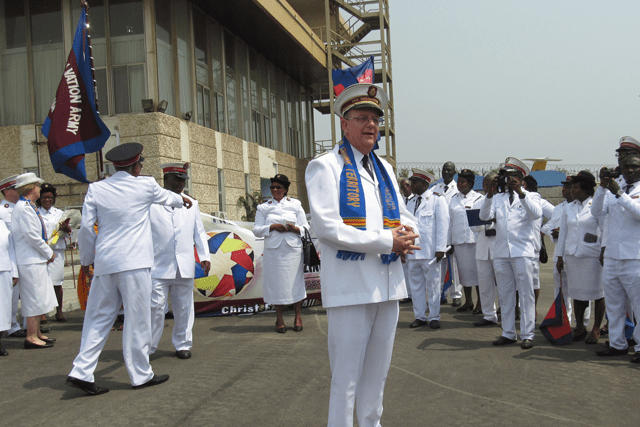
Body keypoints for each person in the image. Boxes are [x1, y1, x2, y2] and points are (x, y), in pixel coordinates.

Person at [305, 83, 418, 427]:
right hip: (351, 287)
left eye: (375, 119)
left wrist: (410, 234)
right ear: (344, 123)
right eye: (362, 118)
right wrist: (387, 241)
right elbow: (327, 228)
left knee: (377, 375)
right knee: (347, 379)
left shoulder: (383, 168)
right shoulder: (325, 166)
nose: (371, 124)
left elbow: (404, 215)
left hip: (387, 285)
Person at [67, 143, 193, 396]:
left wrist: (87, 260)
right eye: (140, 164)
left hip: (106, 263)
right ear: (136, 167)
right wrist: (183, 200)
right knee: (137, 320)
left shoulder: (97, 188)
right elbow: (169, 197)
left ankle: (81, 371)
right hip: (135, 264)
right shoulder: (145, 185)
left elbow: (86, 228)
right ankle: (140, 375)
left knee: (97, 318)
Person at [480, 157, 542, 350]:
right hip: (501, 252)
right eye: (505, 177)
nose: (507, 180)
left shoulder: (531, 196)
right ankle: (508, 333)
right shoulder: (497, 198)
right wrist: (489, 195)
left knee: (525, 294)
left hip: (522, 252)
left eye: (511, 176)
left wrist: (520, 192)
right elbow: (483, 216)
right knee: (505, 295)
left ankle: (527, 334)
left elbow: (536, 214)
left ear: (520, 178)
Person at [150, 163, 211, 359]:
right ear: (165, 179)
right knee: (155, 309)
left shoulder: (191, 203)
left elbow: (199, 232)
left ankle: (183, 344)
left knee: (184, 307)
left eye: (183, 180)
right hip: (157, 265)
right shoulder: (152, 202)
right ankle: (148, 347)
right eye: (176, 179)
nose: (180, 184)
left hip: (183, 265)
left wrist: (204, 256)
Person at [591, 152, 640, 362]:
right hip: (612, 255)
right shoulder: (613, 188)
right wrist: (602, 188)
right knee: (614, 304)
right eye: (626, 166)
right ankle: (617, 344)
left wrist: (619, 193)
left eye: (634, 166)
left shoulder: (622, 190)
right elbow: (596, 212)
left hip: (635, 256)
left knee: (638, 305)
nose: (630, 170)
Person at [253, 173, 309, 333]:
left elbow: (306, 227)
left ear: (285, 189)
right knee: (276, 284)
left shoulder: (295, 204)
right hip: (274, 252)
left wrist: (296, 229)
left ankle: (298, 316)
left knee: (295, 283)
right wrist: (271, 227)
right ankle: (279, 318)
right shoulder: (264, 207)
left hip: (293, 250)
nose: (275, 190)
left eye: (278, 187)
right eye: (272, 187)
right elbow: (256, 230)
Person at [556, 171, 605, 344]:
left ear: (585, 189)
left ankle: (596, 328)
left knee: (597, 293)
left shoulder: (596, 206)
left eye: (576, 187)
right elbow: (563, 233)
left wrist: (602, 247)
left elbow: (604, 230)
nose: (572, 190)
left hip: (592, 256)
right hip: (573, 256)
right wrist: (560, 256)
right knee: (577, 293)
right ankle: (580, 327)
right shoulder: (568, 207)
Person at [10, 173, 57, 349]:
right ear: (30, 188)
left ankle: (36, 332)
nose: (39, 189)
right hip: (29, 260)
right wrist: (49, 253)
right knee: (33, 299)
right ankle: (31, 336)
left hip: (35, 259)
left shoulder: (29, 206)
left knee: (40, 297)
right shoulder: (23, 208)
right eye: (37, 186)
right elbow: (32, 236)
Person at [406, 168, 449, 329]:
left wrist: (441, 248)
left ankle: (434, 316)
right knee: (415, 286)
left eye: (415, 182)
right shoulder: (410, 202)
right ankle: (419, 316)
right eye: (411, 182)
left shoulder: (437, 200)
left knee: (433, 286)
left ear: (424, 184)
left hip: (431, 252)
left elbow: (443, 225)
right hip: (413, 251)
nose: (411, 185)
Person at [448, 169, 483, 313]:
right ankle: (468, 301)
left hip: (474, 241)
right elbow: (450, 222)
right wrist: (449, 242)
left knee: (478, 273)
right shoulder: (453, 199)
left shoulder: (479, 198)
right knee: (464, 273)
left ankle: (481, 302)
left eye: (462, 182)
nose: (459, 184)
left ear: (470, 183)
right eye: (458, 181)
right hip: (459, 241)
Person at [541, 176, 574, 323]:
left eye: (568, 187)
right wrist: (552, 233)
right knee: (560, 289)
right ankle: (562, 319)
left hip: (575, 254)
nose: (564, 189)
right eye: (563, 186)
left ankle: (583, 322)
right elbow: (550, 226)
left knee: (580, 291)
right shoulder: (558, 208)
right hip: (559, 254)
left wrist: (564, 234)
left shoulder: (585, 207)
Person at [37, 184, 69, 322]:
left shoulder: (60, 213)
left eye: (50, 197)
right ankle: (42, 312)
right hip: (40, 251)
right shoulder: (35, 213)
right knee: (42, 282)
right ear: (40, 198)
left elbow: (68, 232)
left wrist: (66, 229)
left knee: (57, 282)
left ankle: (59, 310)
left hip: (56, 251)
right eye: (44, 197)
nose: (47, 200)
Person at [431, 162, 462, 306]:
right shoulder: (435, 188)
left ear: (454, 172)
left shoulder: (458, 190)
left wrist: (453, 239)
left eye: (449, 170)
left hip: (453, 233)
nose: (446, 172)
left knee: (454, 267)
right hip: (438, 234)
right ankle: (441, 294)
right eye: (444, 170)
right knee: (439, 268)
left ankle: (456, 295)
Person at [0, 174, 26, 338]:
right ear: (6, 191)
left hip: (21, 255)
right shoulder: (2, 211)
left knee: (20, 294)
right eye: (15, 189)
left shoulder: (21, 207)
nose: (18, 192)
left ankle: (21, 324)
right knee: (10, 295)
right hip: (9, 255)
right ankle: (11, 326)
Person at [472, 172, 499, 327]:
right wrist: (486, 221)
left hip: (499, 248)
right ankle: (489, 315)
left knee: (504, 284)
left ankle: (507, 312)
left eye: (492, 185)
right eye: (486, 184)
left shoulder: (502, 201)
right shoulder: (478, 203)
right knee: (485, 284)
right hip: (483, 248)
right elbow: (474, 228)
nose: (489, 188)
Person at [0, 219, 18, 356]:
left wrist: (14, 272)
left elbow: (11, 250)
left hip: (4, 270)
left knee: (3, 310)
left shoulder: (2, 224)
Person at [399, 178, 414, 304]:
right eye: (402, 186)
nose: (405, 188)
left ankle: (414, 293)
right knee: (405, 269)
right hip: (401, 238)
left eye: (407, 185)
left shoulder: (416, 200)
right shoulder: (400, 200)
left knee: (414, 270)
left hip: (414, 239)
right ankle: (407, 293)